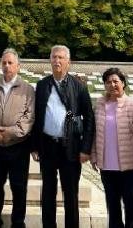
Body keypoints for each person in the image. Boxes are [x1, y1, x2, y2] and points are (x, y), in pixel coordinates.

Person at [32, 44, 95, 228]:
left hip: (71, 148)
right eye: (54, 57)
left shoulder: (79, 86)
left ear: (69, 61)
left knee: (71, 194)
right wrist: (35, 146)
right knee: (48, 192)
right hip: (48, 147)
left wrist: (86, 148)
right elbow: (38, 116)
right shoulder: (42, 85)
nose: (57, 61)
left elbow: (89, 119)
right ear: (50, 60)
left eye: (61, 57)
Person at [0, 48, 35, 228]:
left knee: (19, 187)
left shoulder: (27, 90)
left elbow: (29, 118)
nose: (6, 66)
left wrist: (11, 132)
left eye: (10, 63)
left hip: (18, 147)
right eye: (4, 62)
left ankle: (18, 222)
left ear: (18, 66)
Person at [90, 67, 133, 228]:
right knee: (112, 208)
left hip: (129, 169)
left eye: (115, 81)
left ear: (123, 83)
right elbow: (94, 133)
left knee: (131, 208)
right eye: (108, 82)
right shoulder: (99, 105)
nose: (112, 85)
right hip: (107, 167)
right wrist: (94, 156)